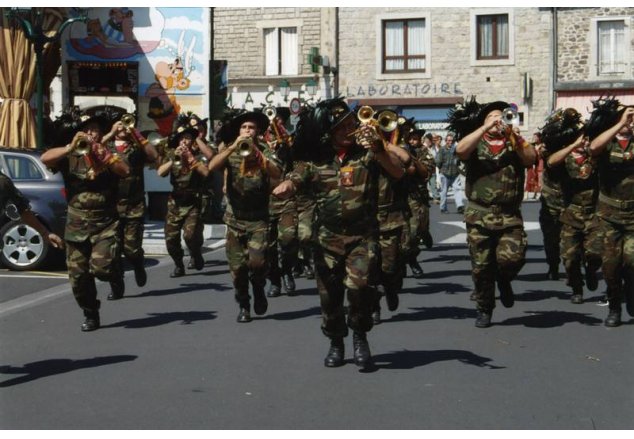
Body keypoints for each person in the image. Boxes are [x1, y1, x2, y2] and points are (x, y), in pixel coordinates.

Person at [273, 98, 405, 369]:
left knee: (360, 290)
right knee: (329, 297)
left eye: (350, 124)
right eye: (341, 127)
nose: (349, 129)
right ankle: (335, 340)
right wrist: (287, 185)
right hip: (327, 240)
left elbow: (398, 171)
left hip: (362, 237)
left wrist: (380, 147)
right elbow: (297, 177)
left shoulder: (368, 153)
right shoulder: (316, 160)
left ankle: (360, 335)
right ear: (329, 131)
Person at [448, 97, 536, 328]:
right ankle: (485, 308)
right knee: (481, 267)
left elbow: (531, 159)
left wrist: (515, 136)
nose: (498, 120)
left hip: (509, 215)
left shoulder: (514, 143)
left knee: (513, 259)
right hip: (479, 214)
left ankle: (504, 280)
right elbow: (460, 151)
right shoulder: (476, 142)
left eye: (502, 116)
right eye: (492, 117)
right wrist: (485, 127)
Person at [41, 109, 130, 331]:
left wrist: (105, 156)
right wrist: (70, 147)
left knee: (102, 268)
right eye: (87, 130)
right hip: (76, 224)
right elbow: (45, 157)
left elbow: (125, 170)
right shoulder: (70, 156)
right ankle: (91, 312)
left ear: (102, 134)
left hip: (105, 222)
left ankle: (115, 274)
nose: (92, 135)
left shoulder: (108, 153)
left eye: (96, 131)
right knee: (78, 277)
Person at [208, 110, 281, 323]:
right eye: (244, 127)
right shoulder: (230, 149)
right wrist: (232, 146)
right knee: (238, 270)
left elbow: (278, 172)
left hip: (258, 219)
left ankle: (258, 288)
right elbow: (212, 166)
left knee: (257, 264)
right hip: (234, 219)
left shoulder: (265, 150)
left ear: (258, 132)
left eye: (251, 128)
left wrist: (259, 156)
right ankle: (243, 303)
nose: (247, 131)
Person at [543, 108, 601, 305]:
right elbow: (550, 162)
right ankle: (577, 289)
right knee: (569, 257)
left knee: (594, 254)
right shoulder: (565, 156)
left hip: (594, 213)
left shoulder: (596, 156)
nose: (583, 141)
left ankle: (592, 270)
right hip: (571, 213)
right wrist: (573, 145)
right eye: (579, 138)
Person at [587, 98, 634, 327]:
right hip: (609, 215)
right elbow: (593, 148)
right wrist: (618, 124)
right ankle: (614, 308)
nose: (630, 120)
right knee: (611, 267)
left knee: (632, 261)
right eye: (627, 115)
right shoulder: (607, 142)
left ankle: (632, 290)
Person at [105, 114, 158, 300]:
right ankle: (117, 286)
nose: (122, 127)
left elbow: (154, 155)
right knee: (112, 252)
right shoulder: (105, 147)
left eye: (125, 123)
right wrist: (110, 133)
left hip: (133, 205)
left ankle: (137, 263)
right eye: (119, 124)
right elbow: (88, 153)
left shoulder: (137, 147)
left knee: (131, 249)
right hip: (110, 207)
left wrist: (136, 133)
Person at [157, 114, 210, 278]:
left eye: (187, 138)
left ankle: (195, 254)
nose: (184, 142)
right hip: (175, 202)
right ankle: (179, 264)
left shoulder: (197, 155)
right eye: (182, 139)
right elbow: (160, 173)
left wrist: (191, 159)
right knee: (171, 239)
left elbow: (206, 173)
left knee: (190, 235)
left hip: (193, 200)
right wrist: (173, 160)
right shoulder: (172, 154)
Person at [262, 107, 299, 298]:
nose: (274, 124)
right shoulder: (258, 144)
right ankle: (275, 280)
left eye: (278, 121)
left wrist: (284, 139)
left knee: (289, 238)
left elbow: (298, 163)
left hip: (286, 200)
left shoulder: (288, 143)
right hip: (264, 202)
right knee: (267, 246)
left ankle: (287, 270)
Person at [1, 170, 64, 251]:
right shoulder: (3, 181)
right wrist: (45, 233)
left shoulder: (3, 181)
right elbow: (23, 210)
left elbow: (23, 210)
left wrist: (44, 233)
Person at [403, 127, 435, 279]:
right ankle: (408, 259)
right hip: (400, 197)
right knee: (403, 236)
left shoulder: (423, 152)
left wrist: (412, 158)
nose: (411, 141)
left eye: (414, 138)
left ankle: (424, 233)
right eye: (409, 138)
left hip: (417, 197)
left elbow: (426, 173)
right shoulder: (396, 150)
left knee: (416, 232)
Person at [436, 132, 464, 214]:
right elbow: (438, 161)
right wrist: (440, 171)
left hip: (455, 174)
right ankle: (443, 208)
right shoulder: (442, 150)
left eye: (451, 140)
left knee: (458, 190)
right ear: (445, 141)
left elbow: (459, 159)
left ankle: (460, 206)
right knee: (443, 192)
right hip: (444, 174)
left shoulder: (456, 149)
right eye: (448, 140)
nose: (450, 142)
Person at [427, 133, 441, 203]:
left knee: (433, 183)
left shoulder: (435, 148)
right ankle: (427, 196)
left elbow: (438, 157)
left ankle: (436, 197)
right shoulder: (423, 147)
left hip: (432, 169)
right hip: (424, 169)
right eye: (430, 140)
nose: (431, 142)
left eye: (432, 140)